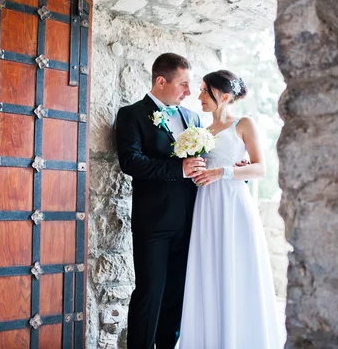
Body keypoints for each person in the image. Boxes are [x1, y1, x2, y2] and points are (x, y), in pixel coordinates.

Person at [178, 70, 284, 348]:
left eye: (205, 91)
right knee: (208, 269)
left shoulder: (244, 124)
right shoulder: (200, 131)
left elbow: (261, 168)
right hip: (206, 206)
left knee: (236, 267)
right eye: (201, 90)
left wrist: (223, 172)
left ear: (224, 96)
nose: (199, 96)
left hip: (234, 203)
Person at [116, 53, 206, 349]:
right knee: (150, 293)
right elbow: (131, 162)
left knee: (176, 295)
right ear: (160, 80)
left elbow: (204, 160)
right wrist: (178, 169)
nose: (189, 92)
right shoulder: (132, 115)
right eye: (183, 84)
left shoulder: (192, 118)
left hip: (190, 220)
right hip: (153, 223)